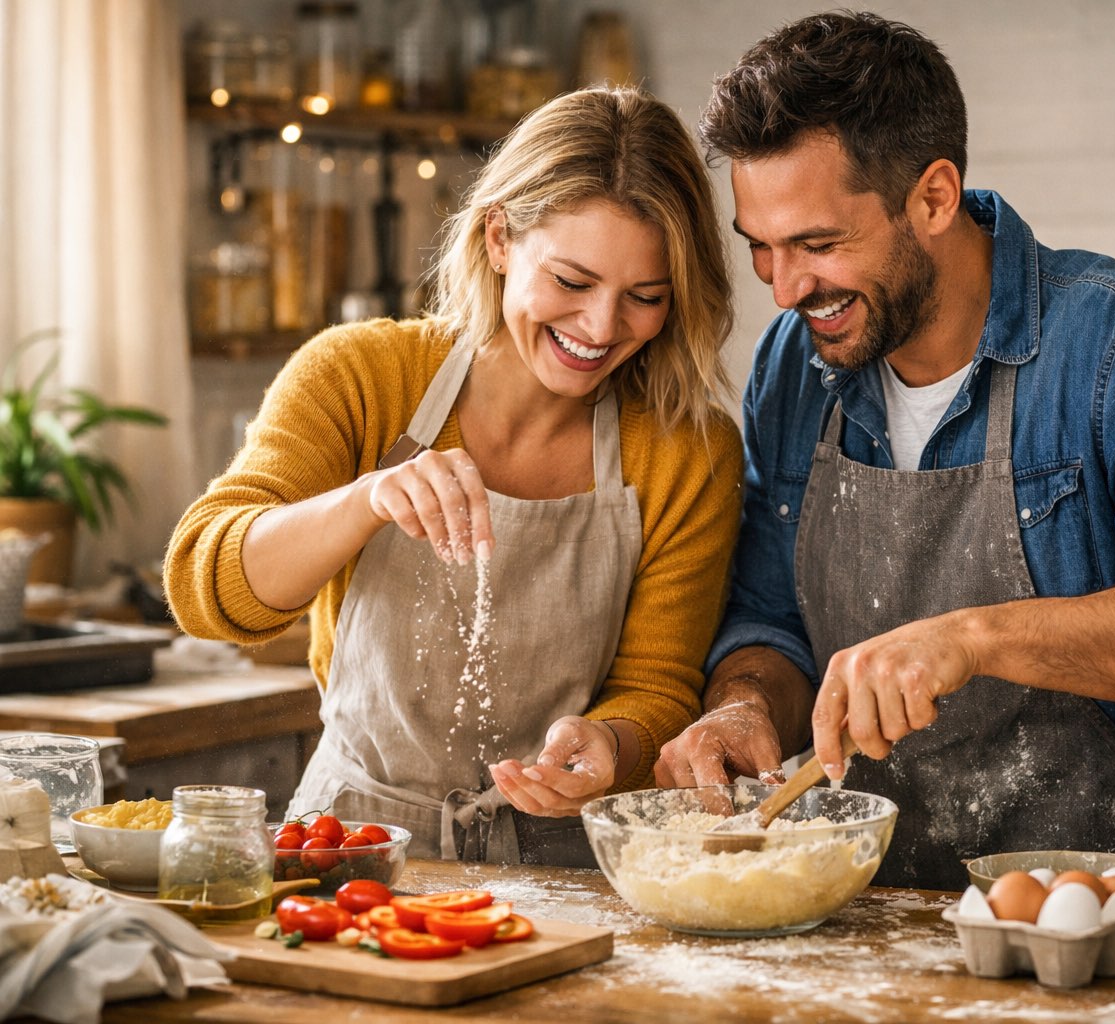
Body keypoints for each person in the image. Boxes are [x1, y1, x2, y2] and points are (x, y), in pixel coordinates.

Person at [654, 12, 1115, 891]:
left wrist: (974, 638)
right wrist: (744, 705)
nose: (785, 289)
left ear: (934, 197)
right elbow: (771, 618)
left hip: (1098, 911)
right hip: (863, 908)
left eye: (819, 245)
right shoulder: (796, 363)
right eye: (762, 249)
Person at [165, 86, 742, 866]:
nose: (602, 327)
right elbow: (205, 592)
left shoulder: (686, 450)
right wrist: (363, 501)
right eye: (572, 283)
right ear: (499, 238)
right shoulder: (360, 377)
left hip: (569, 862)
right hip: (347, 846)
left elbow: (660, 683)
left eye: (645, 297)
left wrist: (612, 742)